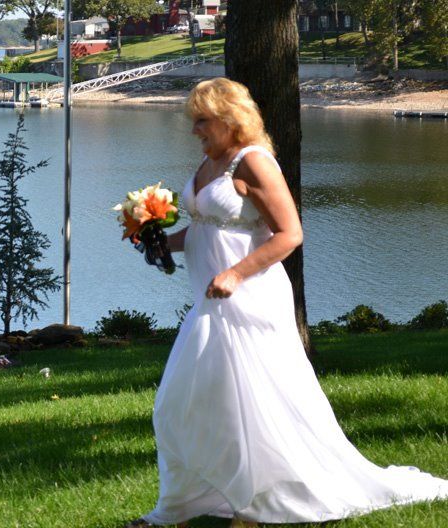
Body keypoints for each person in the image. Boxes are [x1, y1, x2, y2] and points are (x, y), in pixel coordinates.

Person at [126, 78, 448, 527]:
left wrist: (236, 273)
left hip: (249, 297)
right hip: (210, 297)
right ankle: (183, 505)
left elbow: (290, 234)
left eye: (202, 120)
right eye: (193, 121)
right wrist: (163, 244)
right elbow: (208, 228)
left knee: (253, 399)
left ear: (228, 117)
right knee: (193, 400)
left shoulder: (254, 162)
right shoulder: (209, 160)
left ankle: (253, 507)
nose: (194, 129)